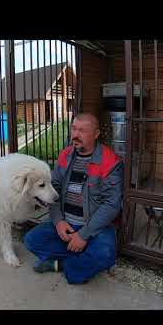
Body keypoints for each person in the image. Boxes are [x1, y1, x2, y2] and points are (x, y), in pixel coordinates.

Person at [24, 113, 124, 284]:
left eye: (82, 131)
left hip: (94, 226)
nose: (76, 135)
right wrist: (59, 221)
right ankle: (83, 258)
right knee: (31, 240)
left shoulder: (110, 161)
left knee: (106, 253)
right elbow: (53, 189)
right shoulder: (66, 155)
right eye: (74, 129)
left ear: (96, 134)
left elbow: (112, 205)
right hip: (67, 223)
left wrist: (84, 235)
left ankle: (61, 265)